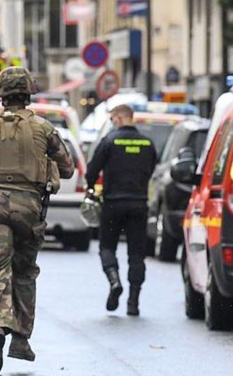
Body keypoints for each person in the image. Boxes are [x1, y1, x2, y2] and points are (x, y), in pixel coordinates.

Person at [0, 66, 74, 374]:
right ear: (28, 93)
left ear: (1, 95)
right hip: (29, 206)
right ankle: (22, 341)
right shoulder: (44, 128)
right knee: (24, 272)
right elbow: (67, 168)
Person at [85, 104, 157, 317]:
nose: (112, 122)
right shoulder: (147, 143)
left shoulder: (109, 141)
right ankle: (133, 301)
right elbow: (152, 168)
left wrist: (90, 188)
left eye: (112, 118)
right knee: (137, 254)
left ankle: (114, 280)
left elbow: (92, 170)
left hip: (113, 203)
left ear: (119, 117)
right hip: (139, 204)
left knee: (107, 247)